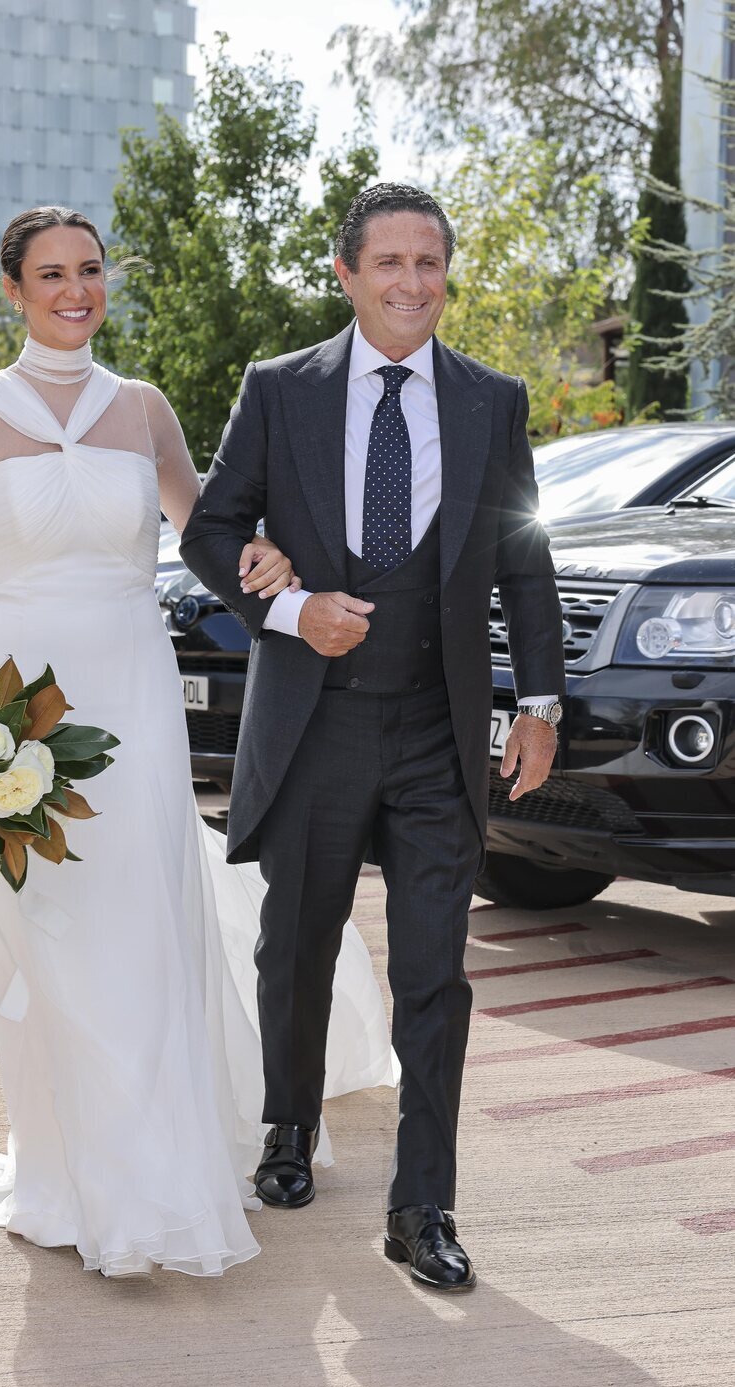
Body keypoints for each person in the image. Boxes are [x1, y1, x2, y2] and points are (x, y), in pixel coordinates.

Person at [0, 206, 394, 1278]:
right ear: (12, 289)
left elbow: (209, 536)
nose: (75, 290)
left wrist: (280, 578)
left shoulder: (144, 408)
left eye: (89, 270)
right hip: (15, 702)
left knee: (138, 926)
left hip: (130, 698)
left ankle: (150, 1183)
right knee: (52, 937)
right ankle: (72, 1173)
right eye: (49, 275)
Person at [180, 183, 566, 1291]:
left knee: (435, 974)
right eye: (387, 262)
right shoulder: (279, 390)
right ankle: (288, 1127)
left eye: (428, 262)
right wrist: (293, 609)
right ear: (345, 273)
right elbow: (212, 527)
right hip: (314, 723)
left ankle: (421, 1206)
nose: (410, 282)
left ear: (446, 275)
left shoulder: (491, 399)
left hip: (436, 732)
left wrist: (537, 705)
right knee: (294, 946)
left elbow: (521, 560)